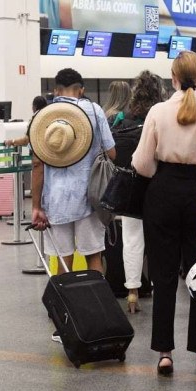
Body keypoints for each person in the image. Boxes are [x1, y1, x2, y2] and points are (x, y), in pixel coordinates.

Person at [131, 51, 196, 377]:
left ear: (172, 78)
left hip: (163, 194)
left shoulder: (158, 111)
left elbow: (142, 164)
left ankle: (164, 353)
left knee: (164, 276)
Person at [29, 68, 116, 342]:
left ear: (55, 90)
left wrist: (36, 206)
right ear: (81, 89)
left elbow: (37, 165)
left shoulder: (43, 118)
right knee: (93, 257)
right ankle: (99, 317)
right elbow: (112, 152)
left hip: (56, 200)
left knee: (63, 261)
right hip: (90, 197)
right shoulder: (94, 111)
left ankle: (65, 325)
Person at [115, 71, 165, 314]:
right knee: (158, 239)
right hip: (157, 185)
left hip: (131, 185)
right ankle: (157, 284)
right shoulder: (163, 116)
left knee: (132, 239)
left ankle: (133, 291)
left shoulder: (123, 118)